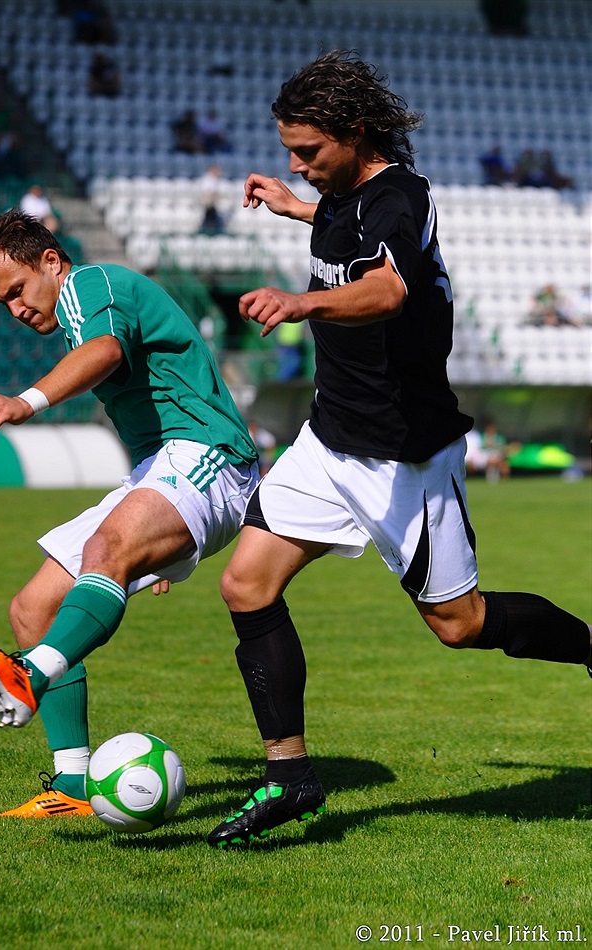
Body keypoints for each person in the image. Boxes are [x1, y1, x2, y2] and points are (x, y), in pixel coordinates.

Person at [205, 51, 592, 848]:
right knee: (246, 586)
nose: (296, 164)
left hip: (400, 456)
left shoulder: (400, 195)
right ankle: (291, 779)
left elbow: (389, 287)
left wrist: (302, 299)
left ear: (355, 133)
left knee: (460, 623)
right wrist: (294, 208)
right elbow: (346, 234)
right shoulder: (340, 198)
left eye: (308, 151)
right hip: (328, 441)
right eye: (288, 153)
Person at [0, 209, 260, 817]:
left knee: (104, 551)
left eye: (17, 291)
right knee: (32, 608)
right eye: (2, 303)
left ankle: (28, 677)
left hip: (209, 454)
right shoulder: (77, 309)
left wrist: (26, 401)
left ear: (49, 260)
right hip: (161, 473)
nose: (15, 309)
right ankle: (71, 785)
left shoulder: (92, 285)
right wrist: (160, 530)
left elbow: (106, 350)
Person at [198, 163, 226, 235]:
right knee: (209, 219)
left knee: (213, 219)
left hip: (212, 204)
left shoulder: (214, 180)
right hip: (208, 203)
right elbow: (207, 192)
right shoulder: (208, 179)